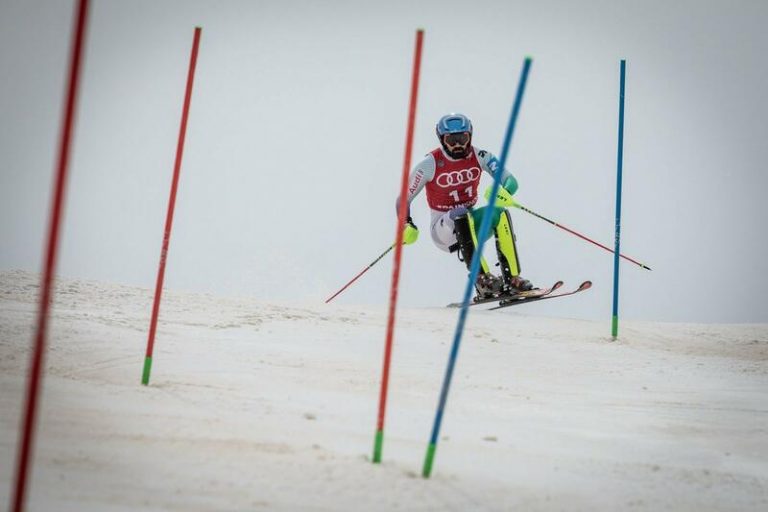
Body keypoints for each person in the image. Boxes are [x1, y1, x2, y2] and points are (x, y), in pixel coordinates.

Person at [397, 113, 533, 300]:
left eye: (462, 138)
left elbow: (510, 180)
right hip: (443, 230)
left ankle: (512, 278)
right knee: (460, 213)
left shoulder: (481, 156)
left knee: (499, 213)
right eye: (452, 140)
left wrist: (504, 193)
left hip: (470, 225)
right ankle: (481, 278)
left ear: (470, 136)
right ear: (442, 140)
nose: (458, 145)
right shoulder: (429, 164)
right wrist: (406, 224)